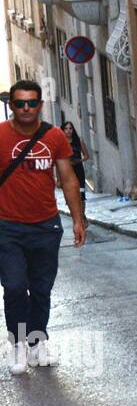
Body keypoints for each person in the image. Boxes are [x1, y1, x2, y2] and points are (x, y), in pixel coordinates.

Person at [0, 81, 87, 375]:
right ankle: (18, 344)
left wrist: (77, 219)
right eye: (21, 103)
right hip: (7, 227)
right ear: (12, 105)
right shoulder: (0, 136)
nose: (26, 108)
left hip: (46, 225)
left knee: (40, 289)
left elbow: (69, 178)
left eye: (32, 103)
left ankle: (37, 343)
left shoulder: (53, 136)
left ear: (40, 105)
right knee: (13, 287)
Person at [61, 121, 89, 204]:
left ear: (73, 130)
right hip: (67, 171)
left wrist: (78, 161)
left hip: (78, 169)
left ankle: (82, 215)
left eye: (70, 128)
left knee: (81, 194)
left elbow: (86, 156)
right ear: (62, 130)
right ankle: (76, 214)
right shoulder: (61, 143)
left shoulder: (79, 140)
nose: (68, 130)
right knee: (71, 195)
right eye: (66, 128)